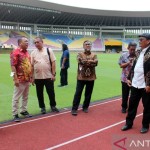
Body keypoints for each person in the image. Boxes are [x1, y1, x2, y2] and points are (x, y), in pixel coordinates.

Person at [121, 33, 150, 133]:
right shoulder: (138, 52)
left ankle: (145, 125)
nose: (139, 41)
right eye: (139, 39)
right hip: (135, 84)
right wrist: (129, 78)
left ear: (148, 41)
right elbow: (134, 67)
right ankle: (128, 123)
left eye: (141, 39)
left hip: (146, 86)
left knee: (147, 107)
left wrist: (149, 84)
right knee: (132, 105)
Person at [31, 37, 59, 114]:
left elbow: (53, 62)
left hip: (48, 76)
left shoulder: (49, 50)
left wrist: (53, 74)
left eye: (38, 42)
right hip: (38, 77)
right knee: (39, 93)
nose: (36, 44)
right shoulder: (33, 53)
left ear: (42, 42)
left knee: (51, 92)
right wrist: (32, 77)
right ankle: (42, 107)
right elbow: (32, 66)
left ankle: (53, 106)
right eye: (35, 43)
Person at [71, 40, 98, 116]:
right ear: (83, 46)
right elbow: (80, 61)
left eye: (89, 44)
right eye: (86, 44)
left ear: (91, 46)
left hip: (91, 77)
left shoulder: (94, 54)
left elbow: (96, 62)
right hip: (81, 77)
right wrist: (91, 61)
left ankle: (85, 107)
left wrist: (87, 61)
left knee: (88, 94)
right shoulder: (80, 54)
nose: (88, 45)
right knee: (78, 93)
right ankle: (74, 108)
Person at [10, 37, 32, 122]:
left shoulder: (27, 52)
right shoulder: (15, 52)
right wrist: (15, 79)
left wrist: (30, 77)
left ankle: (23, 110)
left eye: (27, 41)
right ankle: (15, 114)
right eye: (25, 41)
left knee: (25, 96)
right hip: (19, 79)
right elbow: (12, 66)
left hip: (27, 79)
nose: (27, 42)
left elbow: (28, 65)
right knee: (16, 97)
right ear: (20, 43)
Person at [118, 42, 137, 113]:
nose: (132, 51)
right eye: (131, 49)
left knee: (134, 95)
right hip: (125, 78)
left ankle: (132, 108)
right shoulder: (123, 55)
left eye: (134, 49)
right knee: (125, 94)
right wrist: (128, 62)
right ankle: (124, 107)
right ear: (128, 48)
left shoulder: (137, 56)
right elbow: (121, 65)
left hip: (135, 79)